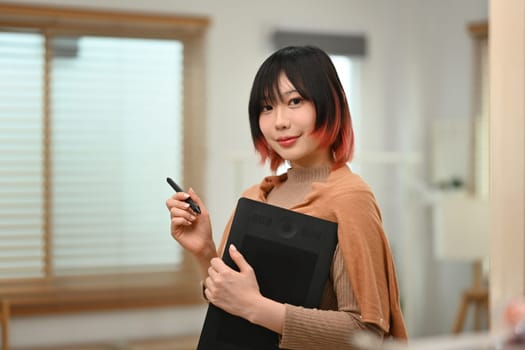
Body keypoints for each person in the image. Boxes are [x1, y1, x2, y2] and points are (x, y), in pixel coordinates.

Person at [166, 45, 408, 349]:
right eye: (266, 107)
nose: (279, 121)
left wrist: (256, 307)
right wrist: (204, 251)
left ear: (330, 105)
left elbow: (365, 331)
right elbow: (228, 303)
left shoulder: (351, 199)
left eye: (295, 101)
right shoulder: (255, 197)